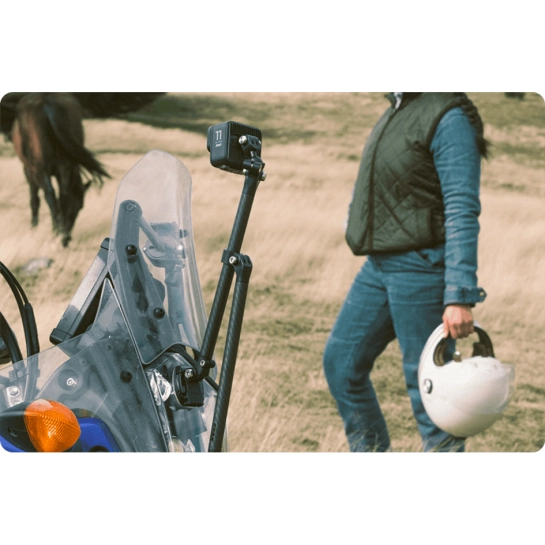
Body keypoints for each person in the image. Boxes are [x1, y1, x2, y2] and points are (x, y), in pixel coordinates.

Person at [323, 92, 489, 452]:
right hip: (379, 266)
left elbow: (461, 208)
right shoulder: (398, 109)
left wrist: (459, 295)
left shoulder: (448, 117)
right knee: (341, 365)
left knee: (432, 396)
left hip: (422, 268)